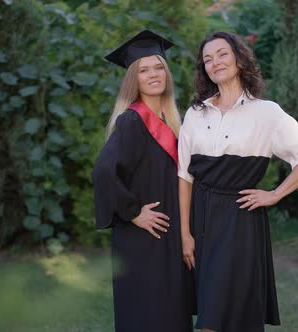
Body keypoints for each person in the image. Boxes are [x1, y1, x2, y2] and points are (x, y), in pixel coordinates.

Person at [178, 31, 298, 332]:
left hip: (240, 219)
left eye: (221, 54)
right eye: (207, 59)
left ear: (238, 58)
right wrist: (185, 233)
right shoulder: (195, 113)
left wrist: (275, 194)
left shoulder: (266, 113)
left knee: (229, 316)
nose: (215, 62)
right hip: (202, 218)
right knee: (209, 309)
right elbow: (184, 175)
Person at [92, 29, 194, 332]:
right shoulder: (132, 121)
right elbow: (103, 172)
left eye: (158, 67)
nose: (153, 75)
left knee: (171, 313)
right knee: (148, 315)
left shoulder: (172, 121)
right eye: (143, 70)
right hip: (142, 240)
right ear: (133, 80)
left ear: (167, 72)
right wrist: (133, 212)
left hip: (167, 235)